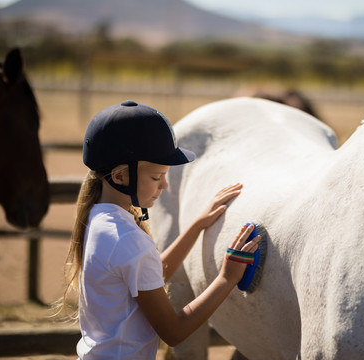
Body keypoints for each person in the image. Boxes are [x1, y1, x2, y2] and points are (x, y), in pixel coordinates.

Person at [58, 100, 260, 359]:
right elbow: (174, 332)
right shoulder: (128, 239)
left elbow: (149, 276)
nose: (164, 186)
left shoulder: (99, 218)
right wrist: (227, 278)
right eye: (156, 177)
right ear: (120, 176)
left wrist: (197, 225)